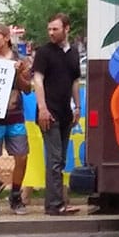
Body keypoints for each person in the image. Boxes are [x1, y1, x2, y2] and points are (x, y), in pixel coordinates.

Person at [0, 23, 32, 217]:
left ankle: (16, 195)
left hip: (15, 115)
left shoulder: (21, 60)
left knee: (22, 156)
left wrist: (18, 74)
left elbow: (27, 88)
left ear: (6, 37)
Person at [32, 12, 81, 215]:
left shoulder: (73, 53)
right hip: (49, 112)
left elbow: (75, 81)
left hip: (65, 112)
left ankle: (59, 200)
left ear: (66, 29)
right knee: (54, 158)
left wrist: (77, 106)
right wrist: (42, 108)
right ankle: (54, 204)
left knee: (60, 159)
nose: (51, 33)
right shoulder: (44, 52)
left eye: (56, 29)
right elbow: (38, 80)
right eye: (50, 29)